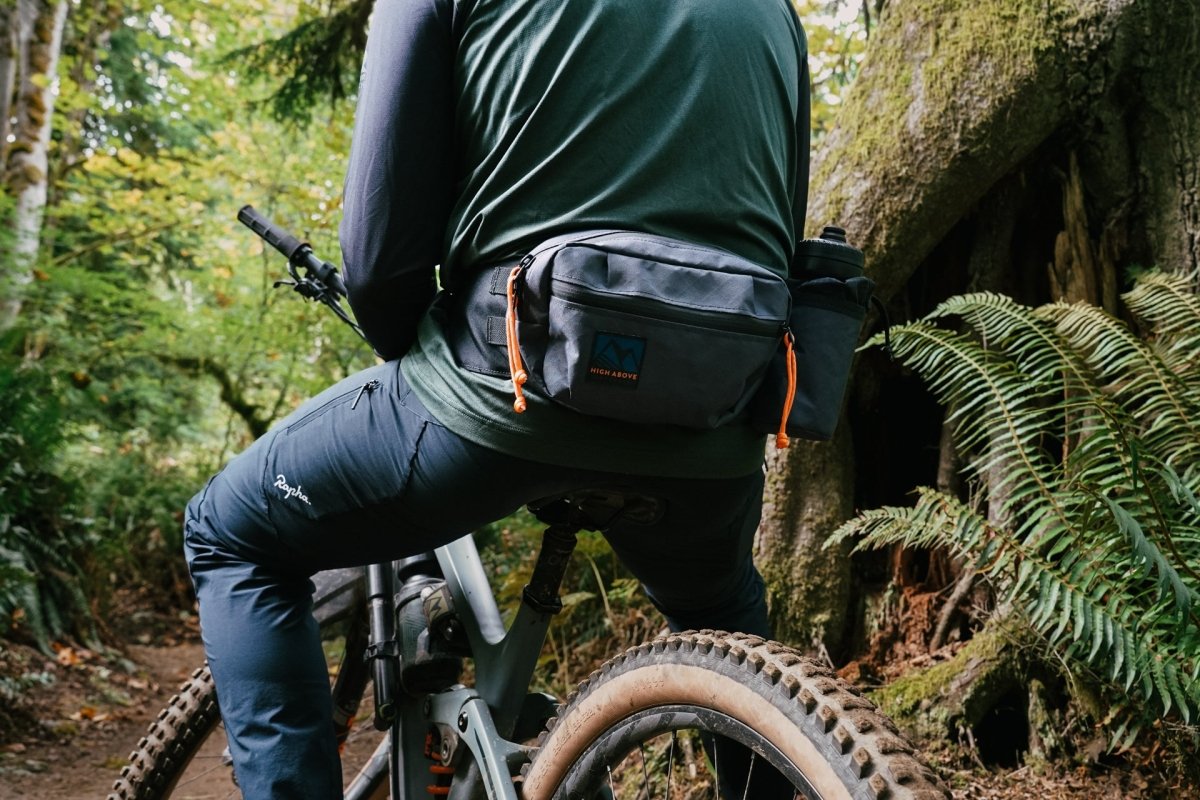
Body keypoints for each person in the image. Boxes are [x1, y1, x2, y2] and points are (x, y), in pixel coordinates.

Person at [183, 0, 810, 796]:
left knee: (228, 534)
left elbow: (379, 270)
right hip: (712, 424)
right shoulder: (776, 13)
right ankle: (796, 747)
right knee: (730, 626)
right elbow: (780, 243)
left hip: (499, 400)